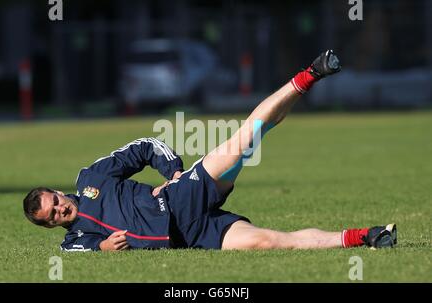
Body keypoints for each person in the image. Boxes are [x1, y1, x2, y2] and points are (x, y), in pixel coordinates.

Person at [23, 50, 397, 251]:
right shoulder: (77, 241)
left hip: (180, 196)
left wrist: (171, 171)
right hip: (192, 235)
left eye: (54, 201)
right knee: (270, 242)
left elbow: (144, 147)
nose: (59, 209)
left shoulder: (91, 177)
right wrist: (104, 248)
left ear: (56, 192)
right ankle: (365, 236)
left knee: (246, 139)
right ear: (49, 225)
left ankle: (309, 74)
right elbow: (83, 253)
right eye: (52, 216)